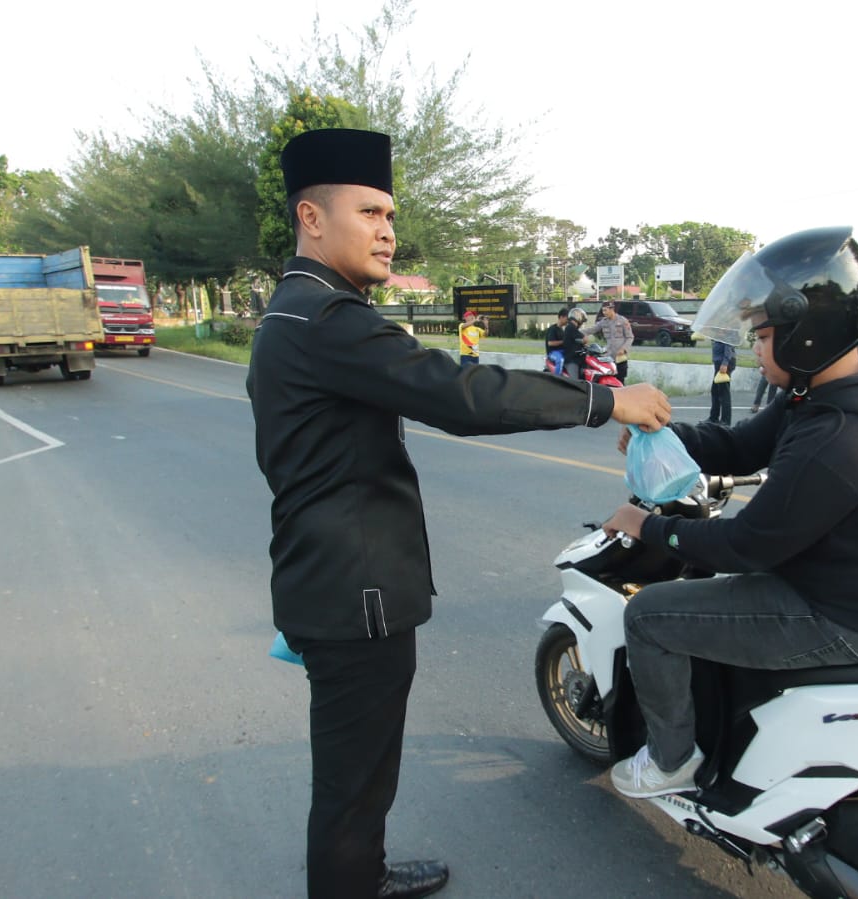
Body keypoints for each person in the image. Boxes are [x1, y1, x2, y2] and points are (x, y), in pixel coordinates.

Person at [245, 128, 673, 899]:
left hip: (332, 579)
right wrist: (607, 397)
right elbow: (460, 393)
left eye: (391, 215)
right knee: (353, 780)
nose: (387, 230)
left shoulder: (297, 314)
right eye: (369, 212)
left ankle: (363, 872)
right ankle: (352, 880)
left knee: (361, 770)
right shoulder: (327, 319)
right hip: (355, 593)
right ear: (311, 217)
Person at [596, 227, 858, 797]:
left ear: (806, 334)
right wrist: (666, 429)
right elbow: (742, 446)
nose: (755, 348)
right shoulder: (841, 387)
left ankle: (669, 763)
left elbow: (748, 547)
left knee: (650, 615)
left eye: (762, 335)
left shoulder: (840, 438)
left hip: (848, 615)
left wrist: (649, 525)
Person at [580, 300, 634, 382]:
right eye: (602, 310)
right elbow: (592, 330)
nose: (604, 312)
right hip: (608, 357)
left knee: (620, 380)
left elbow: (630, 337)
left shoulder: (622, 320)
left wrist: (624, 349)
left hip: (620, 357)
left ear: (612, 309)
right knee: (608, 379)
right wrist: (576, 331)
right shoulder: (604, 322)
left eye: (605, 310)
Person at [708, 338, 736, 424]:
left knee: (724, 393)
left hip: (724, 364)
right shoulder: (718, 330)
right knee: (715, 391)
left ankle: (725, 421)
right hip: (719, 363)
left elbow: (728, 346)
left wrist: (725, 363)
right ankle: (713, 418)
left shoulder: (727, 331)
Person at [561, 307, 588, 380]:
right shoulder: (570, 327)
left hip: (578, 359)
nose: (582, 323)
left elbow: (580, 341)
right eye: (582, 320)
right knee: (575, 382)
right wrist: (584, 340)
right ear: (578, 318)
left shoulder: (573, 329)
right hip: (571, 360)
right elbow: (583, 339)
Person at [543, 309, 569, 375]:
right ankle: (557, 379)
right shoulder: (553, 329)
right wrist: (563, 342)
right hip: (553, 352)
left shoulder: (562, 330)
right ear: (561, 317)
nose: (568, 321)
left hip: (562, 351)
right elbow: (550, 343)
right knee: (560, 360)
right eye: (567, 318)